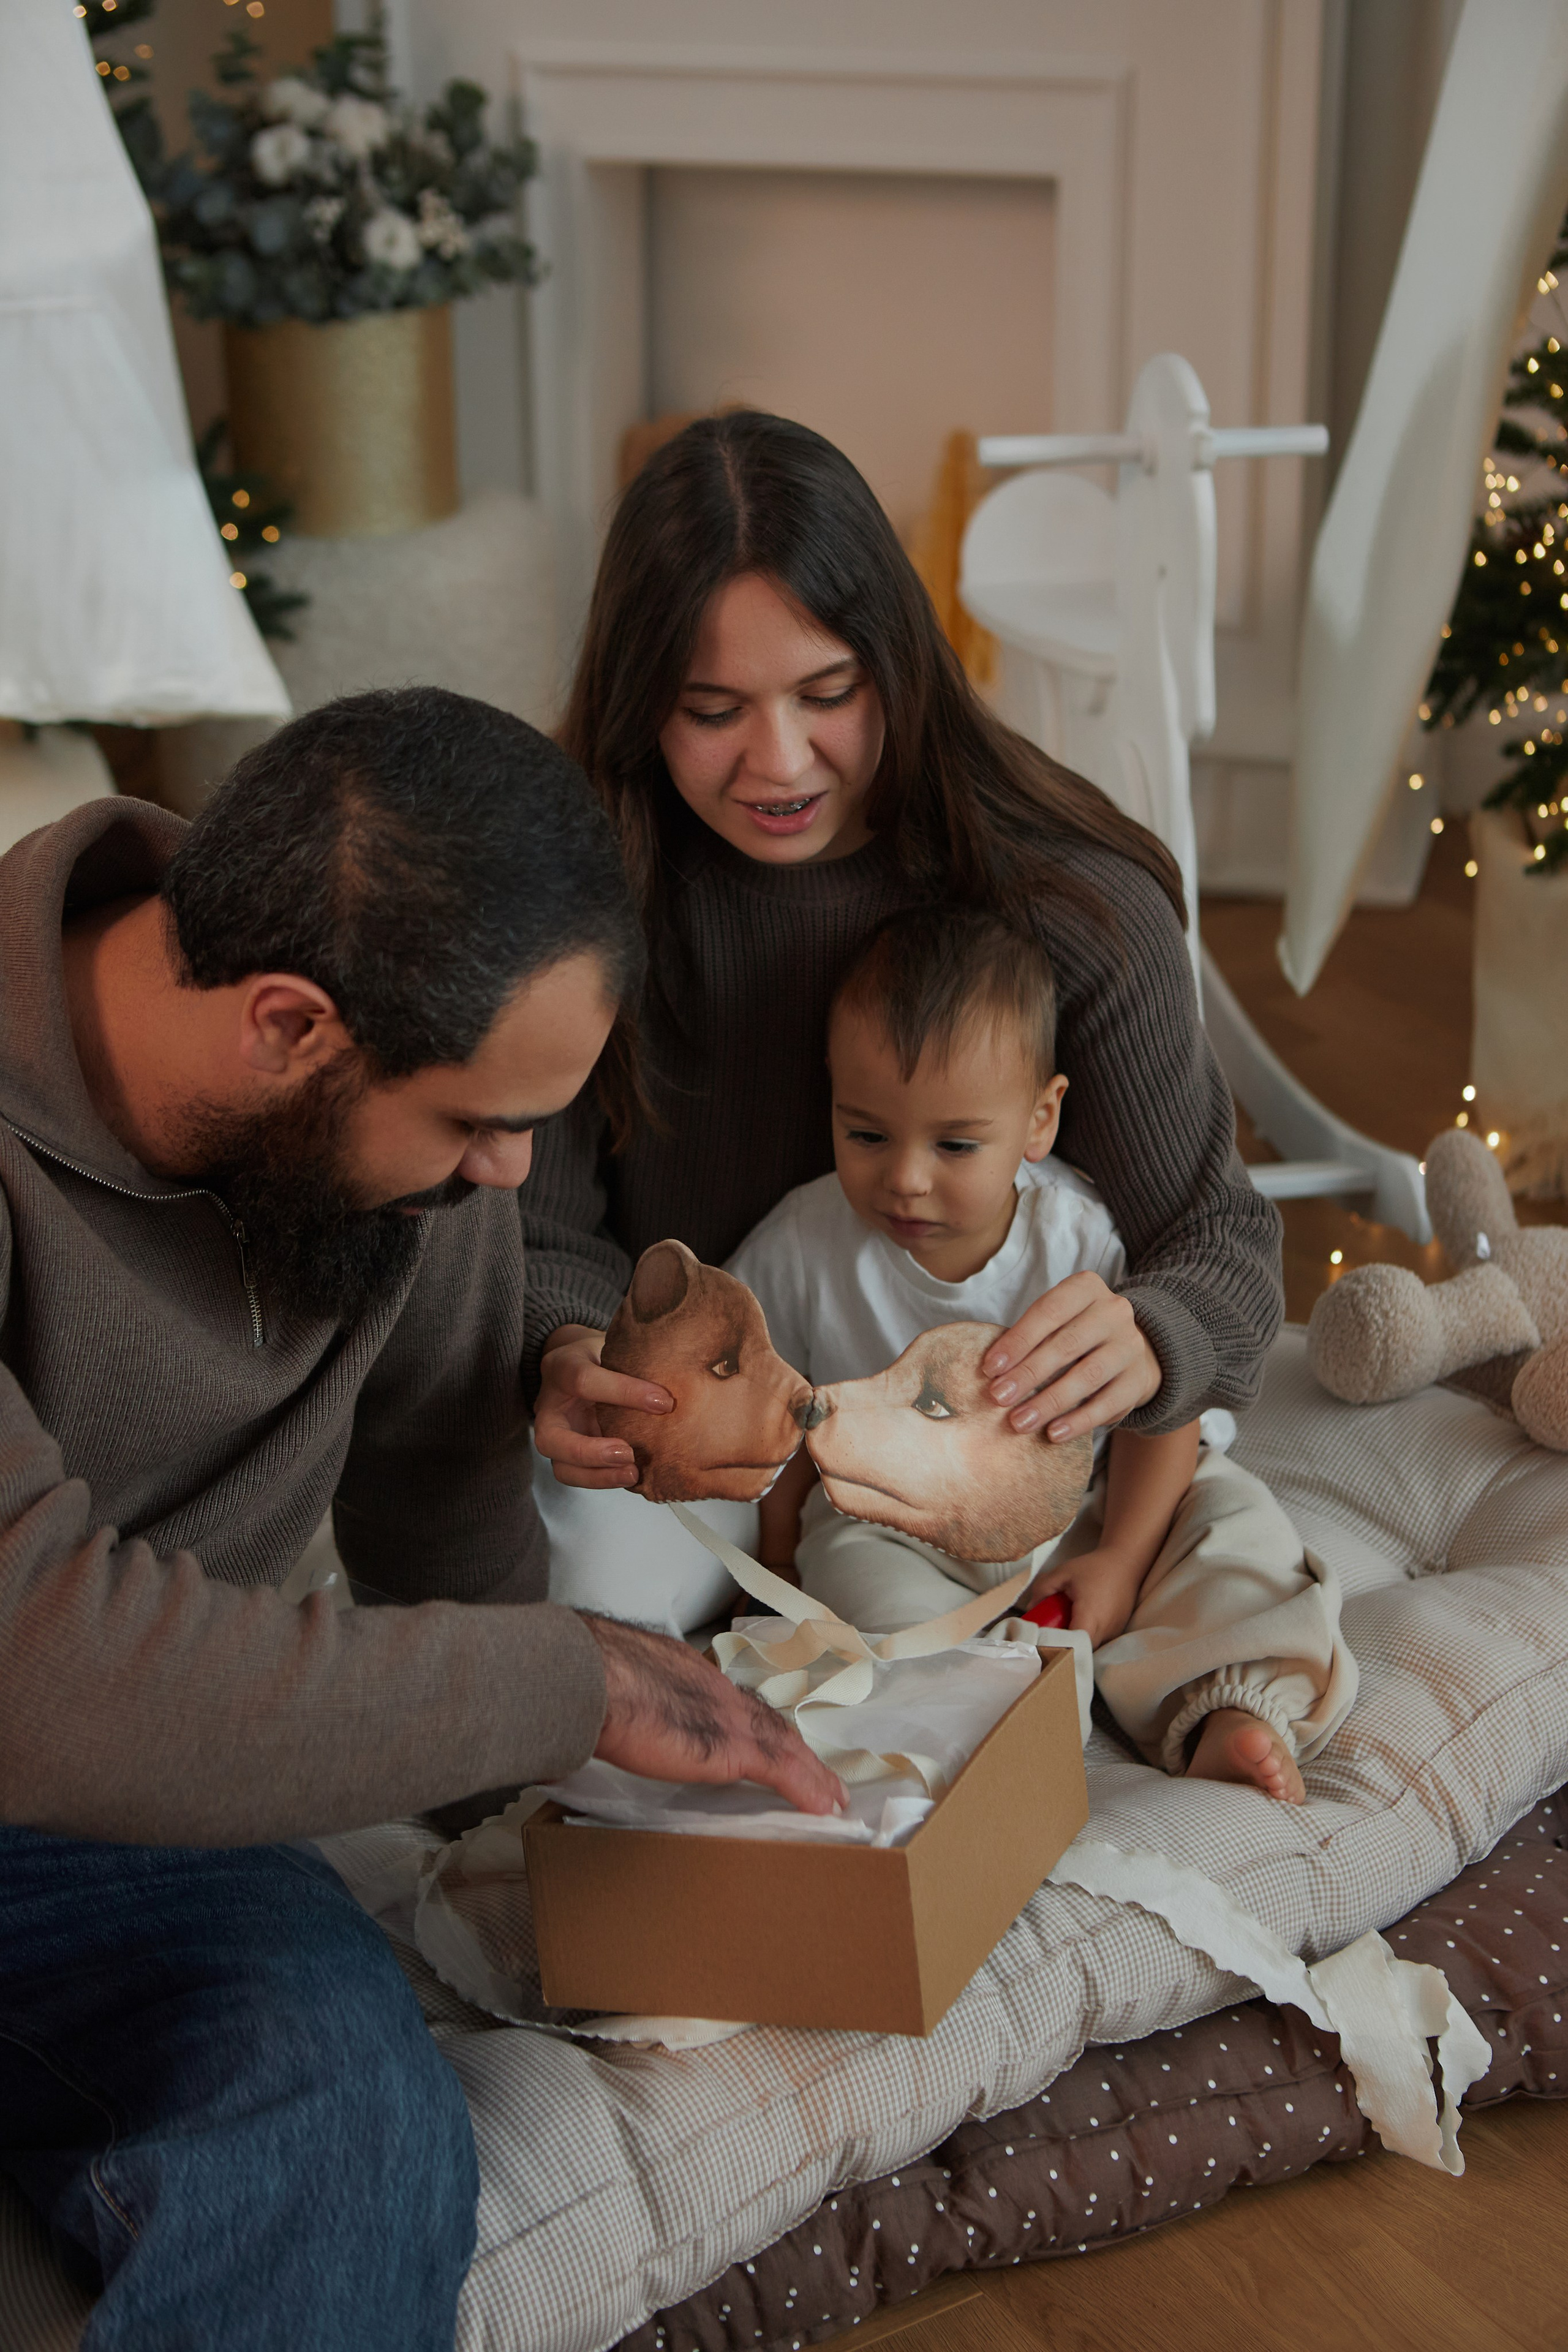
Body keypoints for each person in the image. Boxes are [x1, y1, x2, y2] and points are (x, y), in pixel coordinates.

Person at [0, 686, 840, 2352]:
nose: (513, 1179)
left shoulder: (404, 1135)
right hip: (53, 1712)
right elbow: (45, 1671)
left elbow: (442, 1512)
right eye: (477, 1121)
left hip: (115, 1844)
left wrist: (604, 1828)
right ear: (288, 1030)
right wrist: (570, 1678)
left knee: (356, 2131)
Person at [526, 411, 1286, 1556]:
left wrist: (1154, 1333)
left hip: (1007, 1460)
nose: (779, 763)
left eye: (827, 693)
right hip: (693, 1456)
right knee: (550, 1569)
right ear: (641, 707)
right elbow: (532, 1241)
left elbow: (1217, 1235)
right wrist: (566, 1350)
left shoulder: (1074, 904)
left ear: (899, 663)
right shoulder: (579, 903)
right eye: (713, 711)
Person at [729, 905, 1358, 1804]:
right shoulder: (801, 1246)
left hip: (1102, 1502)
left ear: (1038, 1120)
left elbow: (1160, 1410)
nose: (905, 1177)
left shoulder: (1081, 1239)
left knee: (1235, 1534)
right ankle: (975, 1715)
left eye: (954, 1145)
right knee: (854, 1574)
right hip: (903, 1523)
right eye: (866, 1133)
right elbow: (781, 1411)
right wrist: (782, 1565)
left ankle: (1228, 1709)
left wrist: (1125, 1560)